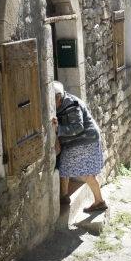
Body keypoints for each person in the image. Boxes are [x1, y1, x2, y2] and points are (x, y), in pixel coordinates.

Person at [52, 81, 107, 212]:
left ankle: (99, 201)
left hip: (86, 139)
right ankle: (64, 197)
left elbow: (78, 127)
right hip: (78, 140)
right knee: (65, 166)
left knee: (87, 173)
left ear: (59, 96)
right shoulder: (62, 103)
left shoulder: (71, 104)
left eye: (52, 98)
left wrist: (58, 129)